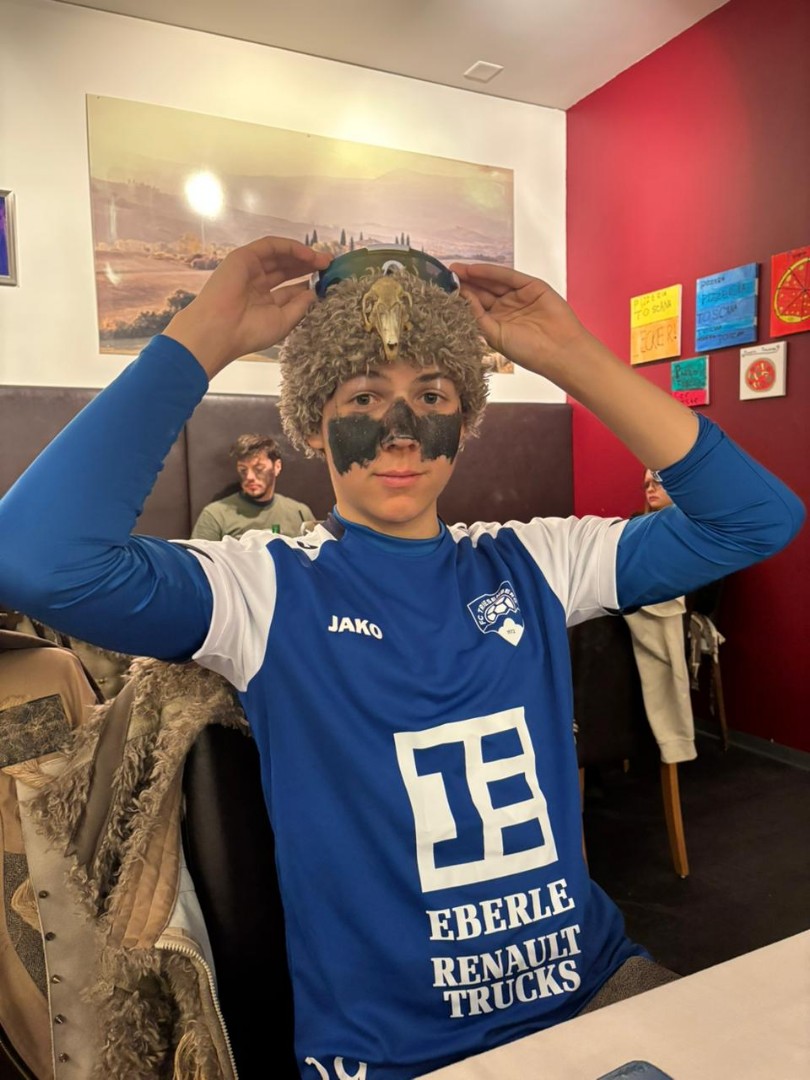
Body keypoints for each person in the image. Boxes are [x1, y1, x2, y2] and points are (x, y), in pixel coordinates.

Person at [0, 236, 803, 1080]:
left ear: (465, 421)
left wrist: (572, 355)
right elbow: (35, 559)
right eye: (363, 395)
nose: (400, 430)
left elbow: (756, 519)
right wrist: (203, 337)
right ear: (314, 425)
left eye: (431, 395)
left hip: (594, 987)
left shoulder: (535, 563)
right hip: (396, 1052)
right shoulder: (262, 590)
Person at [621, 469, 699, 764]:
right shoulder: (634, 527)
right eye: (646, 485)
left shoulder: (693, 528)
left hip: (671, 610)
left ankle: (670, 741)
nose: (650, 489)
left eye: (658, 483)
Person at [191, 432, 314, 540]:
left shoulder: (300, 513)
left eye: (259, 469)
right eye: (243, 470)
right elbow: (197, 558)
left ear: (277, 467)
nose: (249, 477)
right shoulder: (215, 515)